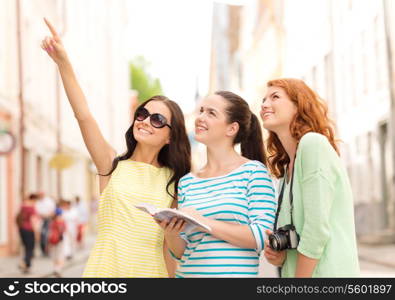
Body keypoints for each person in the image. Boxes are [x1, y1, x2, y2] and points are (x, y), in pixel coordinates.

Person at [41, 18, 191, 277]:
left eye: (157, 119)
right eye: (142, 113)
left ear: (170, 136)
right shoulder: (111, 164)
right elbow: (83, 115)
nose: (145, 121)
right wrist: (64, 64)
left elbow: (170, 247)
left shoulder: (175, 181)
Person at [159, 91, 277, 277]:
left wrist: (203, 222)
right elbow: (181, 253)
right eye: (202, 111)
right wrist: (171, 233)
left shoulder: (254, 172)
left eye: (211, 113)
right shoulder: (187, 182)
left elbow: (262, 235)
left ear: (231, 129)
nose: (200, 118)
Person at [260, 78, 359, 277]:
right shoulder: (286, 171)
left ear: (298, 106)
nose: (264, 104)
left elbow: (316, 231)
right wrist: (281, 257)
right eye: (263, 100)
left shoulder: (313, 145)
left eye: (275, 97)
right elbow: (300, 238)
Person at [16, 193, 40, 274]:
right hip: (29, 229)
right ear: (34, 199)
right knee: (30, 247)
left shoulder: (22, 206)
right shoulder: (31, 208)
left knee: (25, 246)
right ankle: (26, 264)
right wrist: (36, 233)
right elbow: (33, 220)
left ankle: (24, 264)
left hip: (21, 228)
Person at [36, 191, 56, 256]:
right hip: (40, 220)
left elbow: (53, 211)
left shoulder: (49, 201)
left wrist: (47, 215)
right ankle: (43, 250)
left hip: (48, 220)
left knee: (47, 236)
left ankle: (48, 250)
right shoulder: (37, 202)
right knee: (41, 236)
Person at [48, 206, 66, 277]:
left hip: (52, 240)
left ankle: (55, 269)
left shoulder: (52, 221)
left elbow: (50, 231)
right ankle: (58, 270)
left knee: (54, 255)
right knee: (60, 255)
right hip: (59, 240)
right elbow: (63, 230)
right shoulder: (62, 221)